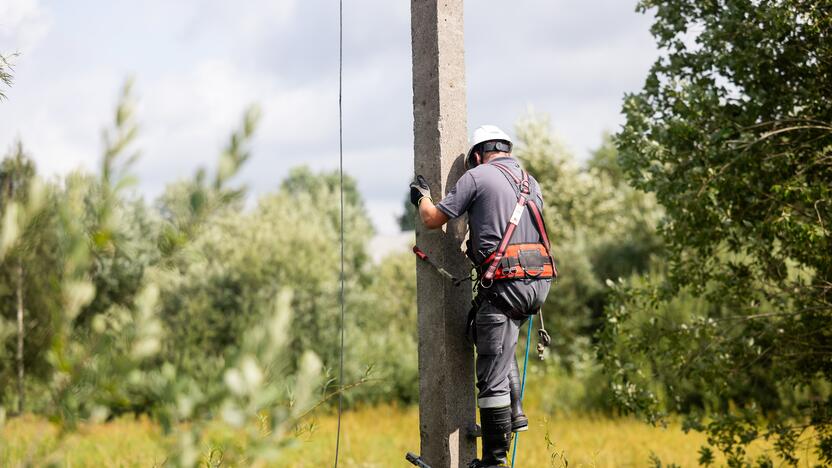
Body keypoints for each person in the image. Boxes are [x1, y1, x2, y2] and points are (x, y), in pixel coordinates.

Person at [409, 124, 555, 468]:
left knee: (490, 380)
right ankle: (515, 412)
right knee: (481, 331)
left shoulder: (478, 177)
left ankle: (493, 461)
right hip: (537, 284)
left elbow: (432, 219)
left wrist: (421, 197)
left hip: (506, 285)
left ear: (477, 155)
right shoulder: (529, 181)